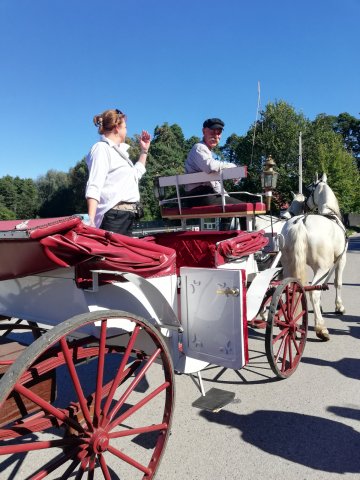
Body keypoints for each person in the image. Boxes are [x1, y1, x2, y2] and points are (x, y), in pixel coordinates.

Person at [85, 108, 151, 236]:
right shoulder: (101, 149)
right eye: (125, 127)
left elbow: (136, 174)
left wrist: (144, 151)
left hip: (126, 217)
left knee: (126, 256)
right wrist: (91, 221)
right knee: (114, 256)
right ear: (117, 128)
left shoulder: (120, 154)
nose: (127, 131)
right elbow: (94, 184)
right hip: (114, 218)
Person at [184, 118, 241, 206]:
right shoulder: (199, 148)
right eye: (212, 132)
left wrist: (226, 196)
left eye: (218, 133)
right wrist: (232, 166)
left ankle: (227, 219)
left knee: (237, 205)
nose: (215, 136)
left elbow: (214, 182)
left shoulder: (207, 152)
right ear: (204, 131)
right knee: (244, 207)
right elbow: (210, 166)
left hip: (206, 195)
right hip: (199, 196)